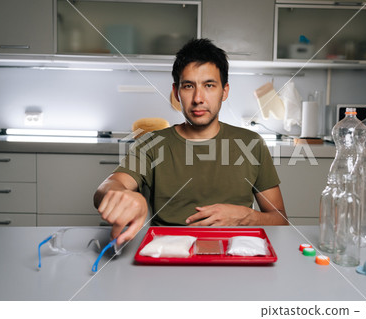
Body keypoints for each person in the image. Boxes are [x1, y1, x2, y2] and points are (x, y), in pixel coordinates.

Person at [94, 38, 288, 245]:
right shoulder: (152, 143)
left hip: (237, 254)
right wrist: (124, 195)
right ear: (177, 92)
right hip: (167, 255)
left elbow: (280, 220)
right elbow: (108, 187)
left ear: (225, 91)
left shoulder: (252, 143)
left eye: (209, 85)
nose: (198, 98)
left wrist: (246, 217)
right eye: (188, 86)